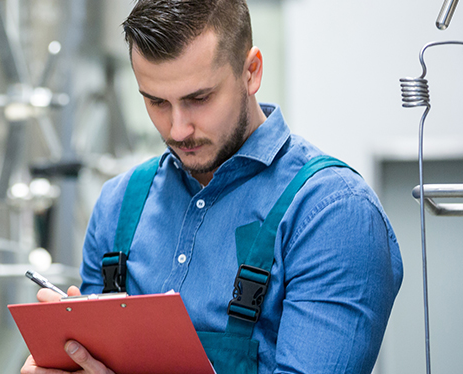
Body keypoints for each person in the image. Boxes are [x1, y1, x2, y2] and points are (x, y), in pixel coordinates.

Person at [21, 0, 403, 373]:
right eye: (156, 102)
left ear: (251, 71)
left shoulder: (333, 214)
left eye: (198, 99)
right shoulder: (118, 205)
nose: (177, 129)